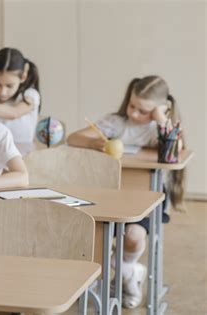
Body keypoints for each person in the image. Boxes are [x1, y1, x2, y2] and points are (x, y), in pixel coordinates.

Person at [67, 75, 185, 309]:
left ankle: (127, 270)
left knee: (133, 237)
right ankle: (127, 274)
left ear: (161, 109)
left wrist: (161, 117)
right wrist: (93, 144)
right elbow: (73, 138)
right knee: (89, 236)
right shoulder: (116, 123)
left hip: (146, 198)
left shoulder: (158, 130)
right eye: (132, 106)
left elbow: (175, 150)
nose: (134, 114)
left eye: (144, 111)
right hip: (109, 194)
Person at [0, 47, 41, 155]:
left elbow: (14, 113)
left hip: (23, 156)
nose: (3, 92)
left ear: (23, 77)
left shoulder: (30, 96)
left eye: (9, 85)